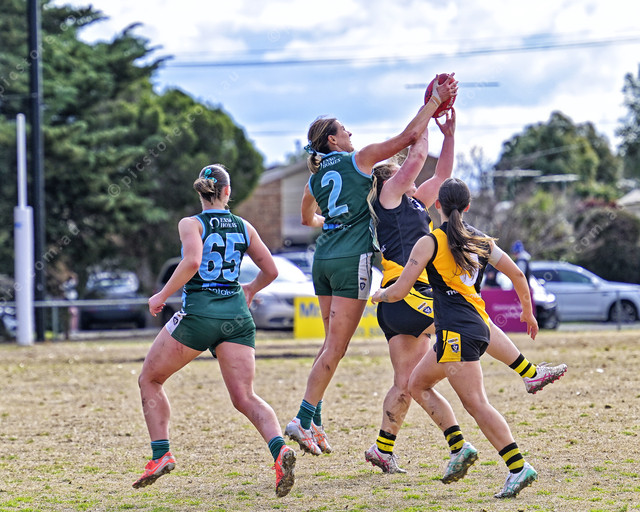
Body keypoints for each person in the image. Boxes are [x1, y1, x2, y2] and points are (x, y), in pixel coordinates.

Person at [364, 112, 567, 474]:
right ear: (392, 180)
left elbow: (442, 176)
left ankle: (385, 448)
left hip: (399, 304)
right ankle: (528, 372)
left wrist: (449, 135)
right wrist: (429, 110)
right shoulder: (390, 196)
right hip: (410, 294)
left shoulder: (413, 202)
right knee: (470, 320)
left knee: (408, 383)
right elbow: (416, 159)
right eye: (405, 175)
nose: (415, 179)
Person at [284, 74, 459, 456]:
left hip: (323, 258)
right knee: (336, 348)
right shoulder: (361, 163)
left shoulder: (316, 178)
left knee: (329, 346)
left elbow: (306, 219)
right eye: (344, 130)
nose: (351, 133)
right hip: (354, 261)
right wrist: (433, 103)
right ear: (333, 140)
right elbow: (408, 141)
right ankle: (302, 418)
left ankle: (316, 420)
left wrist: (333, 222)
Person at [133, 164, 296, 497]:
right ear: (227, 191)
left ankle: (161, 454)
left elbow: (193, 262)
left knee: (150, 379)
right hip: (237, 317)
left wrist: (162, 295)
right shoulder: (244, 226)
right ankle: (279, 449)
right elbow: (270, 270)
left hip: (199, 315)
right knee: (246, 397)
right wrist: (249, 290)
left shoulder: (191, 223)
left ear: (200, 191)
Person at [372, 177, 541, 499]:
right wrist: (527, 313)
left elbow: (400, 290)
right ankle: (459, 447)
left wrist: (380, 295)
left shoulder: (430, 241)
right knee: (416, 384)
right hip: (476, 326)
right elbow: (518, 274)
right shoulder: (481, 241)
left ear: (437, 205)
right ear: (467, 206)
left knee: (477, 404)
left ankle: (518, 467)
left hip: (457, 332)